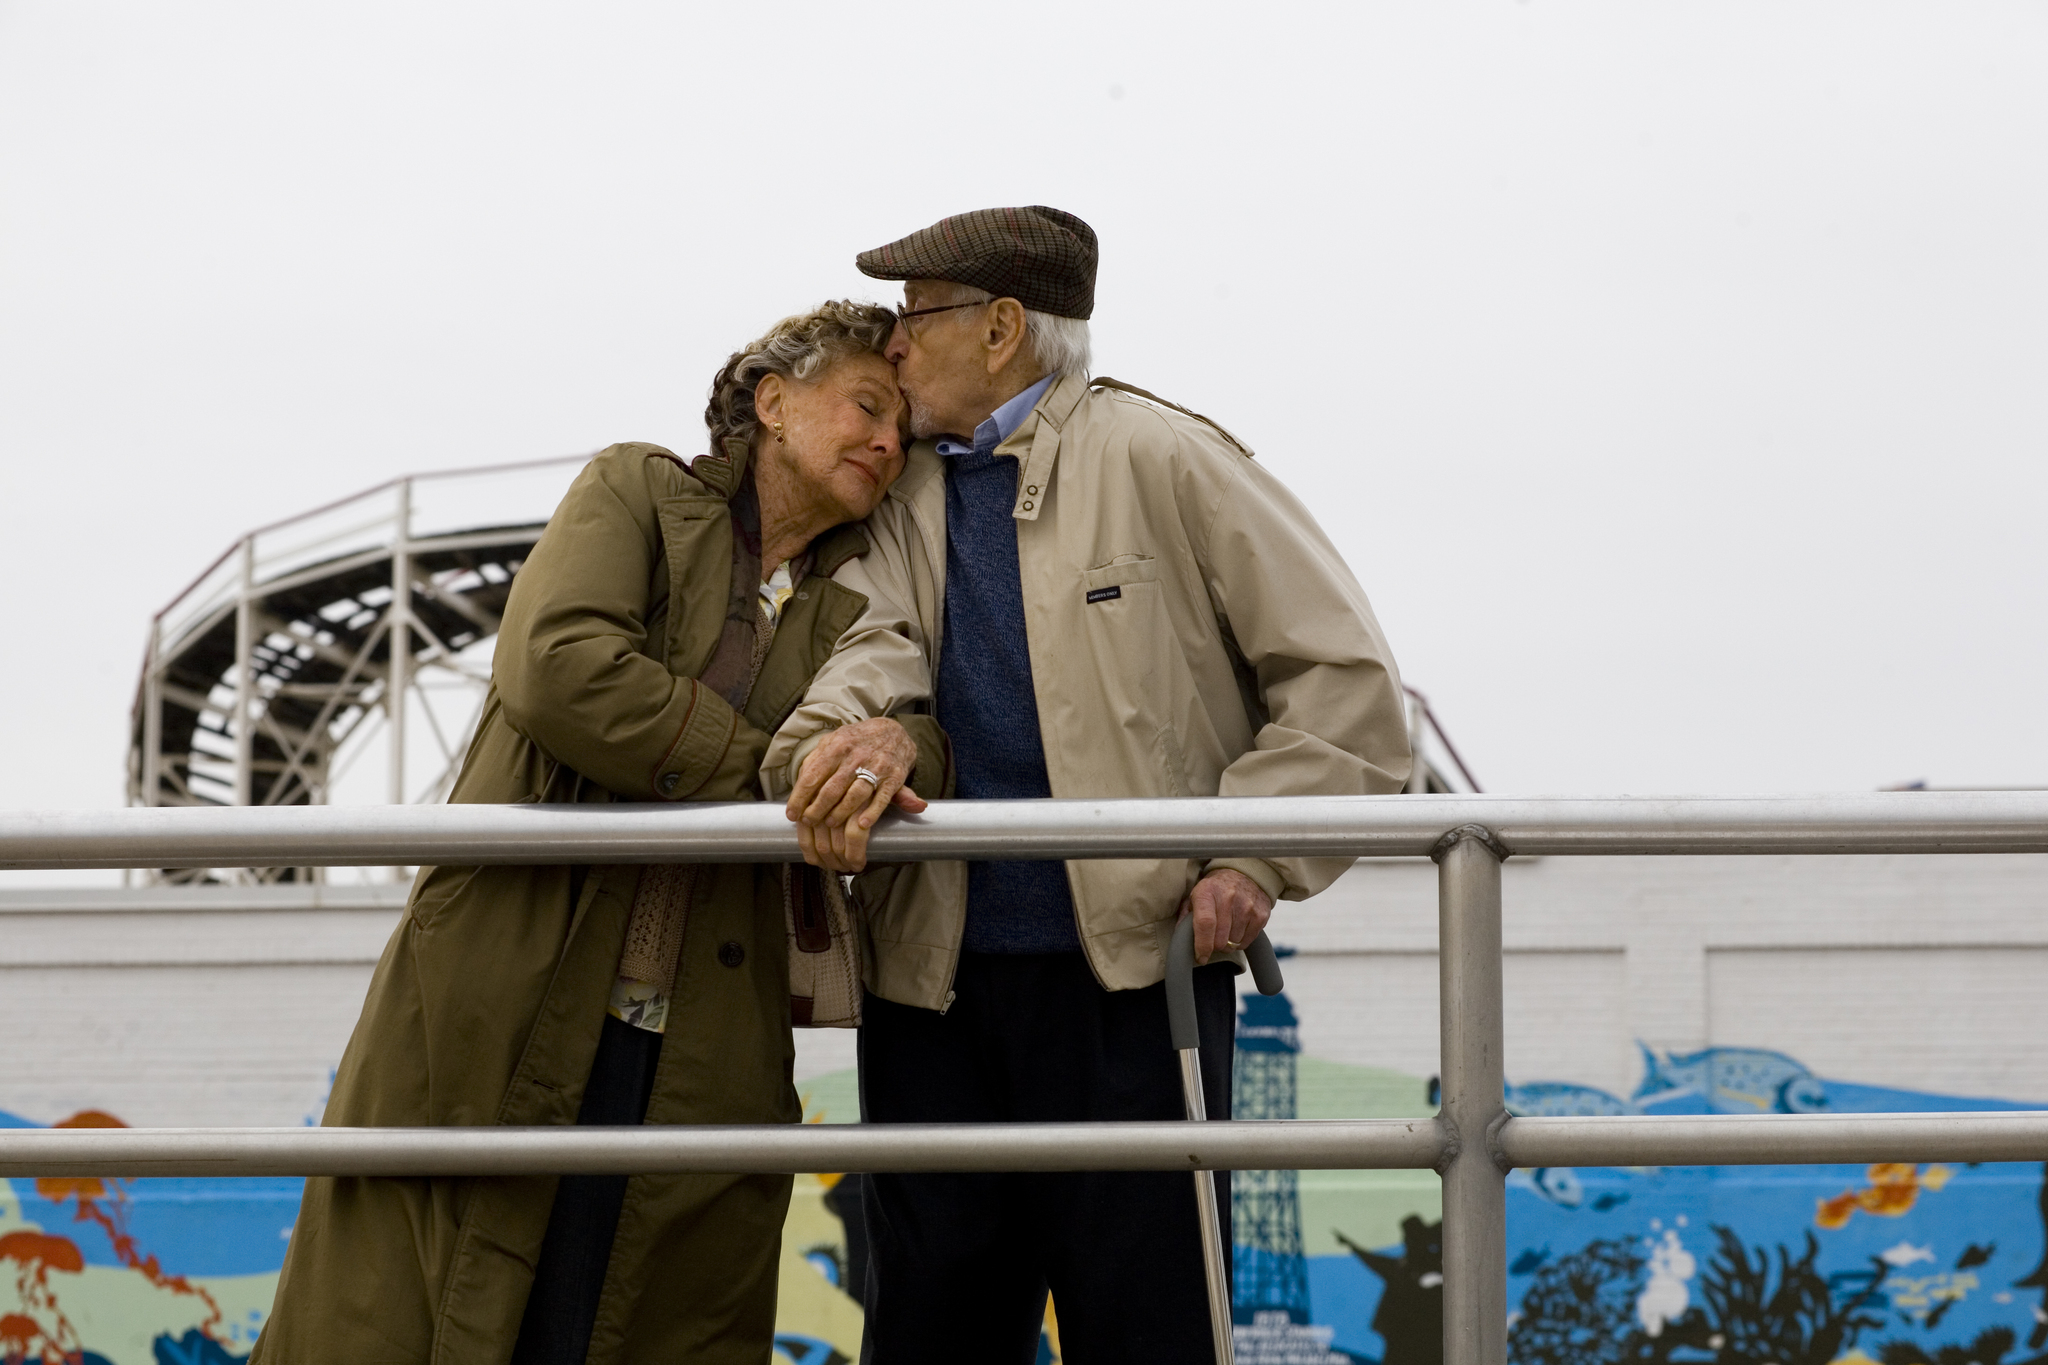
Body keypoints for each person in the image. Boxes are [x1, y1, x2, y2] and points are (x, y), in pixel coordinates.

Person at [764, 207, 1414, 1362]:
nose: (894, 346)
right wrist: (836, 741)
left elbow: (1345, 685)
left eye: (917, 318)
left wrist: (1250, 858)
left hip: (1132, 985)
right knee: (927, 1336)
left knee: (1150, 1330)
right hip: (931, 997)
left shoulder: (1164, 456)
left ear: (1003, 328)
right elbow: (868, 651)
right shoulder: (899, 489)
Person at [252, 301, 947, 1365]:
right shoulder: (638, 490)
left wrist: (893, 756)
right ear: (771, 401)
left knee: (647, 1312)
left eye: (902, 427)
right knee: (428, 1306)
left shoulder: (865, 592)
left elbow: (913, 731)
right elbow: (558, 665)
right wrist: (780, 770)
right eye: (866, 406)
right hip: (511, 985)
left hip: (707, 1038)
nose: (889, 442)